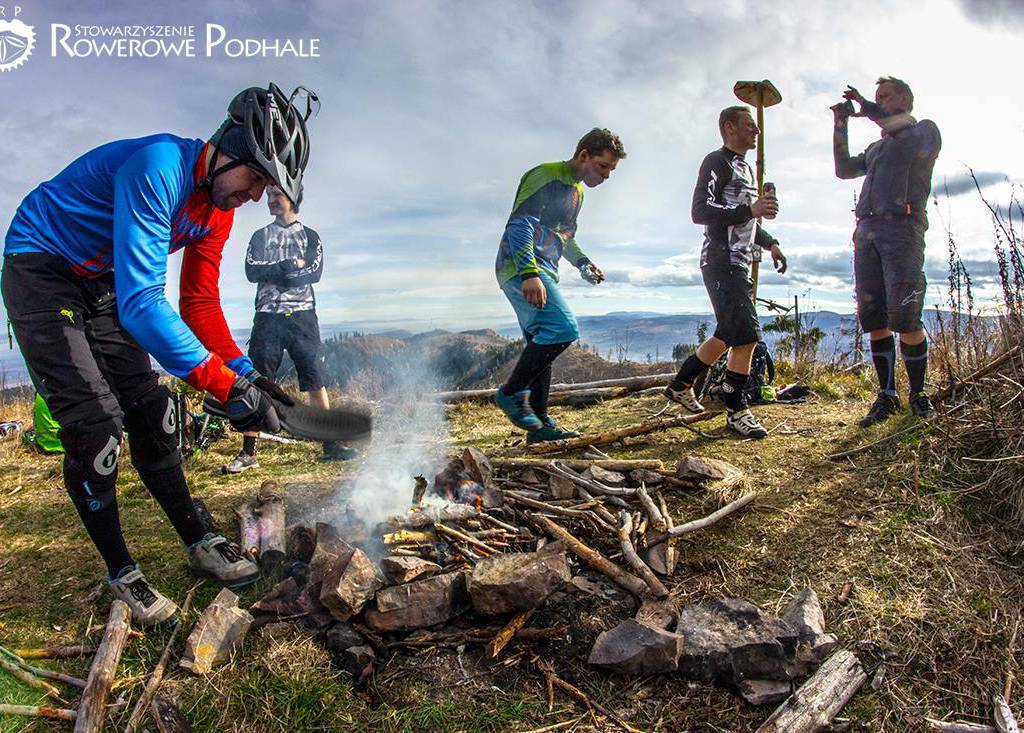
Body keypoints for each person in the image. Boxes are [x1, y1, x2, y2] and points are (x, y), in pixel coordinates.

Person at [2, 83, 314, 625]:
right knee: (96, 427)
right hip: (41, 268)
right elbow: (143, 302)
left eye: (267, 186)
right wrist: (224, 387)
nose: (256, 194)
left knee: (155, 410)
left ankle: (198, 539)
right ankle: (121, 572)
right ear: (226, 150)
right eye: (256, 177)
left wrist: (245, 374)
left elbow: (199, 304)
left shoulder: (217, 210)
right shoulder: (158, 167)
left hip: (101, 280)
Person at [493, 128, 625, 443]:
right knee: (563, 328)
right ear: (583, 155)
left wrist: (583, 263)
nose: (606, 176)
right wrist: (529, 273)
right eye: (602, 166)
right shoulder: (545, 175)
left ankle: (539, 426)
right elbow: (520, 224)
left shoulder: (578, 194)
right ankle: (511, 393)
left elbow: (565, 238)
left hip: (544, 271)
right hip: (521, 267)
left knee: (542, 345)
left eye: (611, 170)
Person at [664, 106, 787, 439]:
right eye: (749, 125)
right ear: (729, 127)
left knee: (727, 333)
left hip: (740, 261)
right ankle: (736, 409)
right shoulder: (716, 161)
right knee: (747, 335)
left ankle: (680, 384)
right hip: (721, 260)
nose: (756, 131)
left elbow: (745, 221)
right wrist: (750, 208)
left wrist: (771, 243)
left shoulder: (745, 167)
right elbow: (699, 211)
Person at [222, 184, 353, 473]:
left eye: (276, 195)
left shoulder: (310, 236)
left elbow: (314, 273)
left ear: (292, 197)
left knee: (315, 379)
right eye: (268, 195)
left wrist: (277, 272)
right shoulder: (260, 236)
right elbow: (252, 271)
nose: (270, 200)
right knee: (257, 382)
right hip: (267, 316)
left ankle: (331, 446)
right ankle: (249, 453)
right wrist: (286, 266)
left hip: (302, 316)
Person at [833, 77, 940, 426]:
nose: (878, 101)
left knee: (906, 315)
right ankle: (887, 395)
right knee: (874, 317)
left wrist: (866, 106)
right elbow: (844, 169)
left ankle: (918, 395)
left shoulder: (924, 132)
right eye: (876, 97)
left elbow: (902, 134)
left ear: (905, 100)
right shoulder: (877, 148)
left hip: (902, 230)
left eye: (885, 96)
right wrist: (840, 124)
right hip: (866, 232)